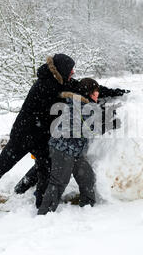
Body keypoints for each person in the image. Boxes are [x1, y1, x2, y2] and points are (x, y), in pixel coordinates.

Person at [0, 54, 129, 217]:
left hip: (42, 138)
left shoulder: (61, 80)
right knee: (0, 167)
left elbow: (83, 88)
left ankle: (33, 197)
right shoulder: (45, 85)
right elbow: (78, 95)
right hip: (23, 136)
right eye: (71, 70)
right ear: (61, 70)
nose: (73, 73)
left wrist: (114, 92)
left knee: (45, 169)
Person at [37, 78, 108, 215]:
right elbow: (92, 129)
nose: (97, 95)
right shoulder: (80, 107)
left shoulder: (82, 104)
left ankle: (87, 207)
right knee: (59, 182)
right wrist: (109, 123)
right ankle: (44, 214)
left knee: (87, 177)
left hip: (75, 150)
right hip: (63, 149)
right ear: (89, 93)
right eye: (95, 92)